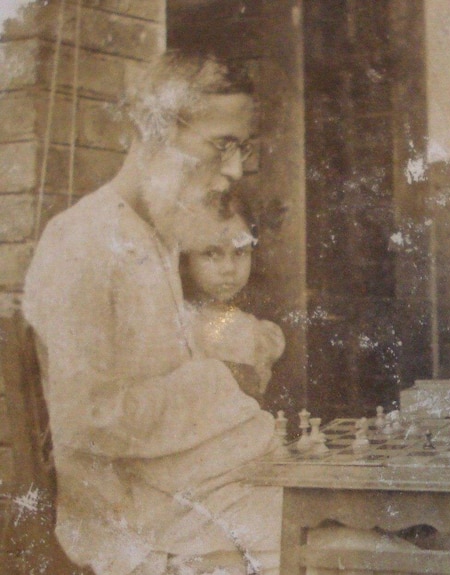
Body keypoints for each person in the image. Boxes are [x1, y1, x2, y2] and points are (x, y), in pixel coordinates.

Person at [23, 52, 282, 575]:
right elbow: (87, 420)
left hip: (182, 492)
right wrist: (215, 383)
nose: (233, 169)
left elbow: (157, 355)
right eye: (221, 145)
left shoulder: (159, 236)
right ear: (158, 133)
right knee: (325, 545)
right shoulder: (81, 242)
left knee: (339, 520)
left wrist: (232, 341)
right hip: (131, 524)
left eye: (241, 147)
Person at [181, 204, 285, 400]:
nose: (228, 268)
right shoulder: (177, 324)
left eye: (240, 253)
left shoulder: (259, 333)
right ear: (186, 258)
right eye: (211, 254)